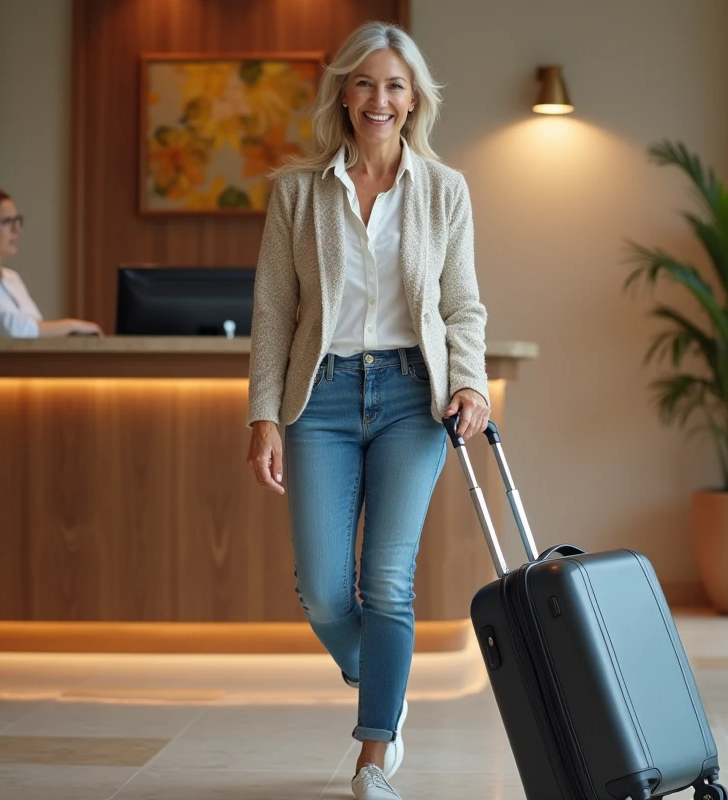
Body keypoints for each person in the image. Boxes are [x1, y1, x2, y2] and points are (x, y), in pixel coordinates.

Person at [245, 20, 490, 800]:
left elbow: (462, 305)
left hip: (411, 399)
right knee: (322, 588)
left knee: (388, 582)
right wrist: (263, 415)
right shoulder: (296, 190)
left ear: (414, 98)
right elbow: (274, 314)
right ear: (342, 94)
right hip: (319, 398)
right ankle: (386, 678)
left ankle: (374, 754)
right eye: (363, 82)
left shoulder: (445, 190)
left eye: (393, 85)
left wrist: (472, 383)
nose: (378, 98)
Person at [0, 186, 102, 337]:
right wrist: (70, 325)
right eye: (6, 222)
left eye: (17, 221)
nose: (17, 230)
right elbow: (15, 329)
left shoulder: (11, 277)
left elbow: (34, 328)